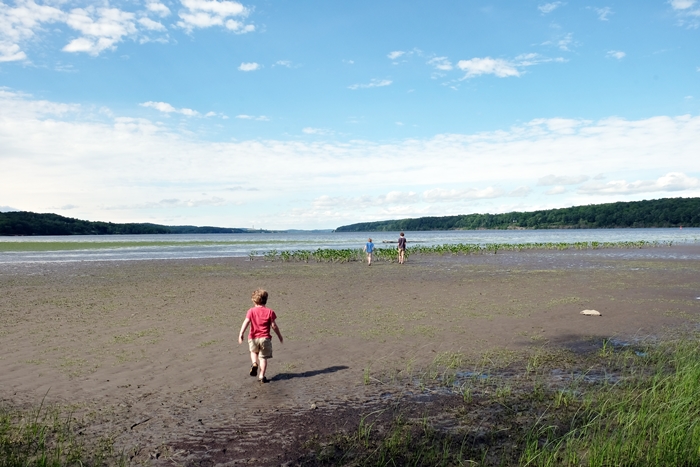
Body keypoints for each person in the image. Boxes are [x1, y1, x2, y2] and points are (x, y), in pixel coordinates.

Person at [238, 289, 283, 383]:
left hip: (253, 337)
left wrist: (241, 333)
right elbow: (274, 325)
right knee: (263, 358)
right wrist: (279, 336)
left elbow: (246, 322)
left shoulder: (251, 311)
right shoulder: (270, 311)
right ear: (266, 299)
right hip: (265, 338)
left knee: (253, 352)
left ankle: (254, 363)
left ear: (254, 301)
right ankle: (262, 375)